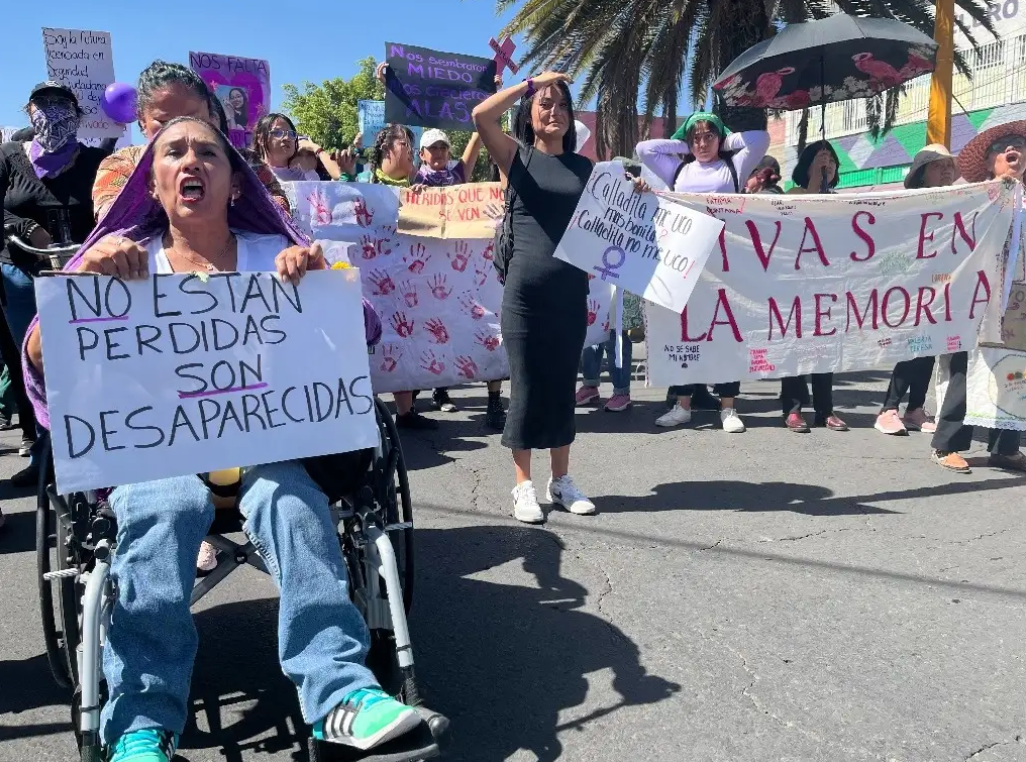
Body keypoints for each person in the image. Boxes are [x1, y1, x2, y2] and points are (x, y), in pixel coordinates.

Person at [22, 117, 423, 761]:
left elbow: (364, 337)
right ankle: (141, 725)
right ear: (150, 184)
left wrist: (322, 284)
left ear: (236, 181)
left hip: (269, 451)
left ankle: (340, 692)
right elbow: (40, 362)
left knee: (292, 505)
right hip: (157, 457)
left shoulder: (278, 255)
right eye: (173, 152)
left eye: (208, 152)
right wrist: (77, 290)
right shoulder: (120, 258)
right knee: (164, 505)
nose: (191, 163)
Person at [474, 72, 648, 523]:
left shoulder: (584, 169)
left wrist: (639, 194)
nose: (554, 112)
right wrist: (533, 82)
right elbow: (480, 116)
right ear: (529, 116)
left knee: (561, 389)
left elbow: (613, 217)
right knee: (528, 387)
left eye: (562, 106)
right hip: (524, 295)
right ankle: (522, 486)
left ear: (572, 119)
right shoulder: (517, 157)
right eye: (544, 105)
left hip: (571, 293)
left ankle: (561, 480)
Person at [0, 81, 107, 487]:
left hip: (82, 280)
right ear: (29, 111)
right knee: (39, 370)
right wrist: (23, 227)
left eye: (62, 105)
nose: (52, 113)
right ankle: (45, 456)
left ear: (77, 115)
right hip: (22, 279)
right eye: (43, 104)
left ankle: (96, 451)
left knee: (86, 369)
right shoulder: (8, 157)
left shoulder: (97, 160)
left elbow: (111, 211)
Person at [637, 113, 770, 433]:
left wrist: (725, 137)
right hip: (685, 261)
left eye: (709, 137)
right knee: (685, 332)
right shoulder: (679, 168)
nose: (702, 143)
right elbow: (644, 149)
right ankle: (683, 405)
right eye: (696, 138)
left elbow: (759, 139)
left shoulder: (733, 167)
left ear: (719, 139)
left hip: (725, 262)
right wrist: (682, 140)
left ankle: (728, 407)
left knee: (726, 332)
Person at [930, 123, 1026, 473]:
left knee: (1013, 371)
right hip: (976, 298)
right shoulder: (976, 198)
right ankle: (947, 444)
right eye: (1003, 147)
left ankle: (1006, 447)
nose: (1013, 151)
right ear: (989, 162)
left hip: (1017, 303)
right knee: (964, 367)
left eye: (1018, 145)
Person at [93, 61, 290, 221]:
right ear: (143, 121)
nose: (179, 130)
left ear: (211, 116)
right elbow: (110, 216)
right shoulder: (122, 166)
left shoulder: (245, 163)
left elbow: (279, 209)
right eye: (164, 122)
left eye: (192, 119)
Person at [408, 126, 507, 428]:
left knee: (487, 324)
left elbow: (479, 135)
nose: (438, 153)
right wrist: (411, 195)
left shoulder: (460, 175)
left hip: (466, 266)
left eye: (443, 148)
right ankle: (423, 396)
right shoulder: (414, 179)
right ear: (421, 154)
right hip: (430, 270)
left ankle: (494, 402)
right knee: (433, 328)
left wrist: (487, 100)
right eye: (432, 148)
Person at [358, 124, 438, 430]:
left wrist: (422, 202)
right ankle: (367, 413)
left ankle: (406, 412)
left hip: (404, 280)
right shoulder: (362, 183)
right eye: (405, 143)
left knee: (404, 339)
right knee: (369, 340)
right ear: (386, 148)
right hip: (368, 277)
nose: (411, 151)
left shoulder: (416, 188)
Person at [874, 145, 955, 436]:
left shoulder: (962, 202)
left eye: (949, 165)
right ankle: (888, 409)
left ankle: (915, 409)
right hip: (912, 286)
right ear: (922, 173)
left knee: (929, 349)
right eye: (937, 165)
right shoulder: (908, 203)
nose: (945, 170)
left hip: (945, 286)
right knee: (910, 347)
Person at [777, 140, 848, 433]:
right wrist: (815, 181)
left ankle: (825, 410)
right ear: (806, 166)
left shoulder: (841, 200)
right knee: (795, 347)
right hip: (797, 285)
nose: (827, 164)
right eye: (820, 159)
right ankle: (793, 410)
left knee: (826, 349)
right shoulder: (793, 195)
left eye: (831, 160)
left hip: (830, 284)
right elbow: (802, 212)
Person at [576, 291, 642, 412]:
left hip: (619, 280)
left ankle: (621, 392)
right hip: (597, 280)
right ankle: (590, 386)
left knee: (614, 332)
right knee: (592, 329)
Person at [253, 113, 344, 182]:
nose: (287, 138)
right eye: (278, 132)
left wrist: (316, 148)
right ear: (260, 139)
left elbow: (339, 177)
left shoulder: (305, 172)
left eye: (291, 134)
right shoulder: (251, 174)